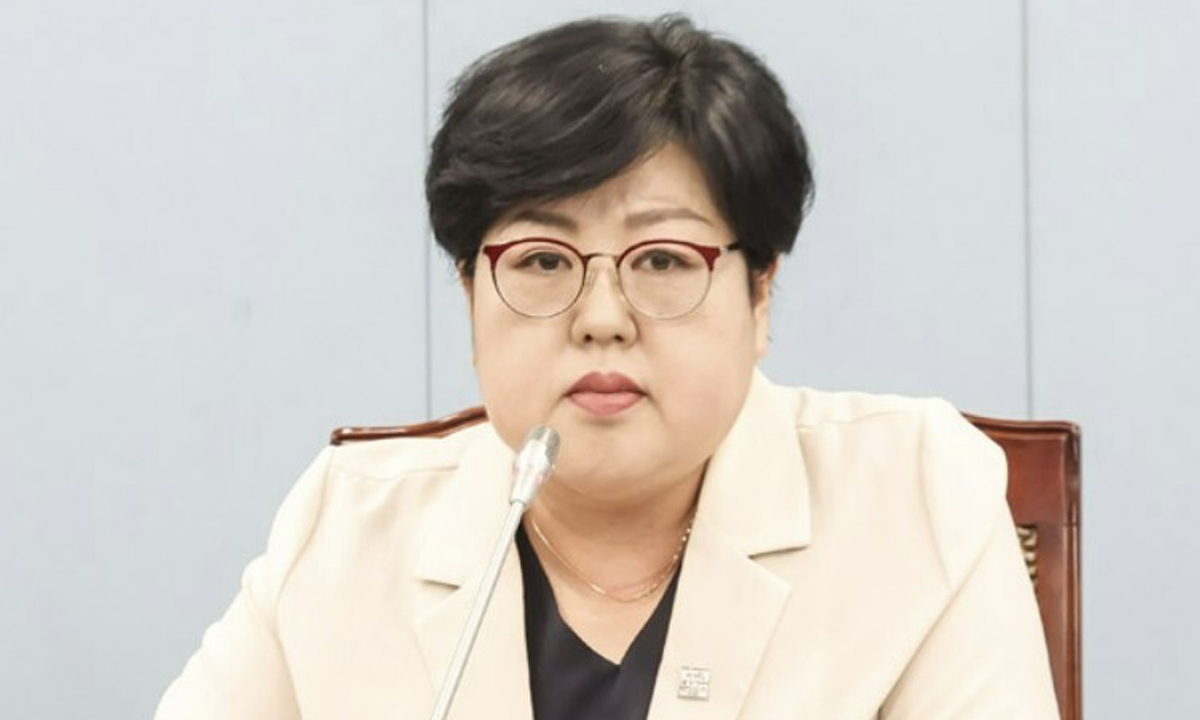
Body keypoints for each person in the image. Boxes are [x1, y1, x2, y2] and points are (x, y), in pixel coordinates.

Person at [155, 14, 1060, 720]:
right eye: (543, 261)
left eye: (662, 259)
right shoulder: (348, 525)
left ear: (759, 293)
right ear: (470, 294)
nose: (600, 320)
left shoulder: (916, 498)